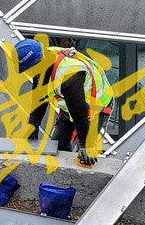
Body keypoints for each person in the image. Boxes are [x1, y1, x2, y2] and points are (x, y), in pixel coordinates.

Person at [15, 39, 112, 168]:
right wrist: (33, 126)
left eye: (28, 70)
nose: (28, 74)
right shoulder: (44, 59)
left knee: (83, 157)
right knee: (57, 147)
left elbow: (80, 114)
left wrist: (85, 145)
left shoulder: (69, 75)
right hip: (71, 105)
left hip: (95, 108)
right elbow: (40, 96)